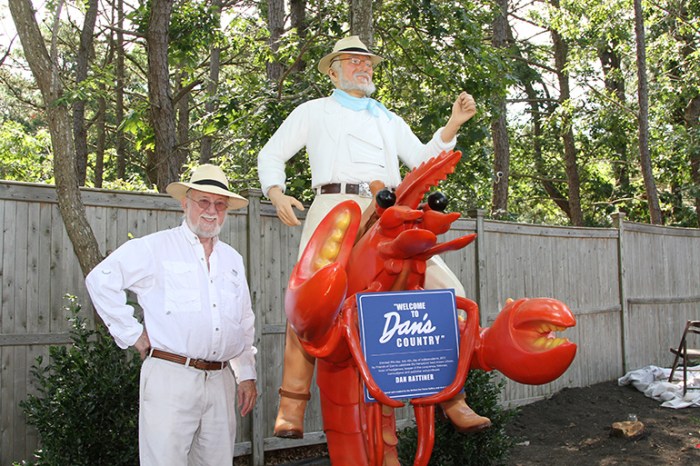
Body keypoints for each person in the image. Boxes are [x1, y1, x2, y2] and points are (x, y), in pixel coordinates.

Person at [257, 35, 491, 438]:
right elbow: (271, 154)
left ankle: (453, 396)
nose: (362, 67)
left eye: (367, 62)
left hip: (390, 212)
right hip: (335, 209)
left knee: (448, 290)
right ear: (332, 71)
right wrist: (276, 192)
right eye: (351, 61)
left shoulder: (387, 117)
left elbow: (421, 160)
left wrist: (453, 124)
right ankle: (291, 405)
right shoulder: (313, 111)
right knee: (309, 298)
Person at [85, 164, 258, 466]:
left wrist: (246, 374)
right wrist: (133, 334)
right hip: (171, 377)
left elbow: (243, 320)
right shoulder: (155, 248)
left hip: (220, 382)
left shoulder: (232, 259)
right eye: (203, 201)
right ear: (185, 203)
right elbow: (101, 279)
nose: (211, 211)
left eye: (219, 204)